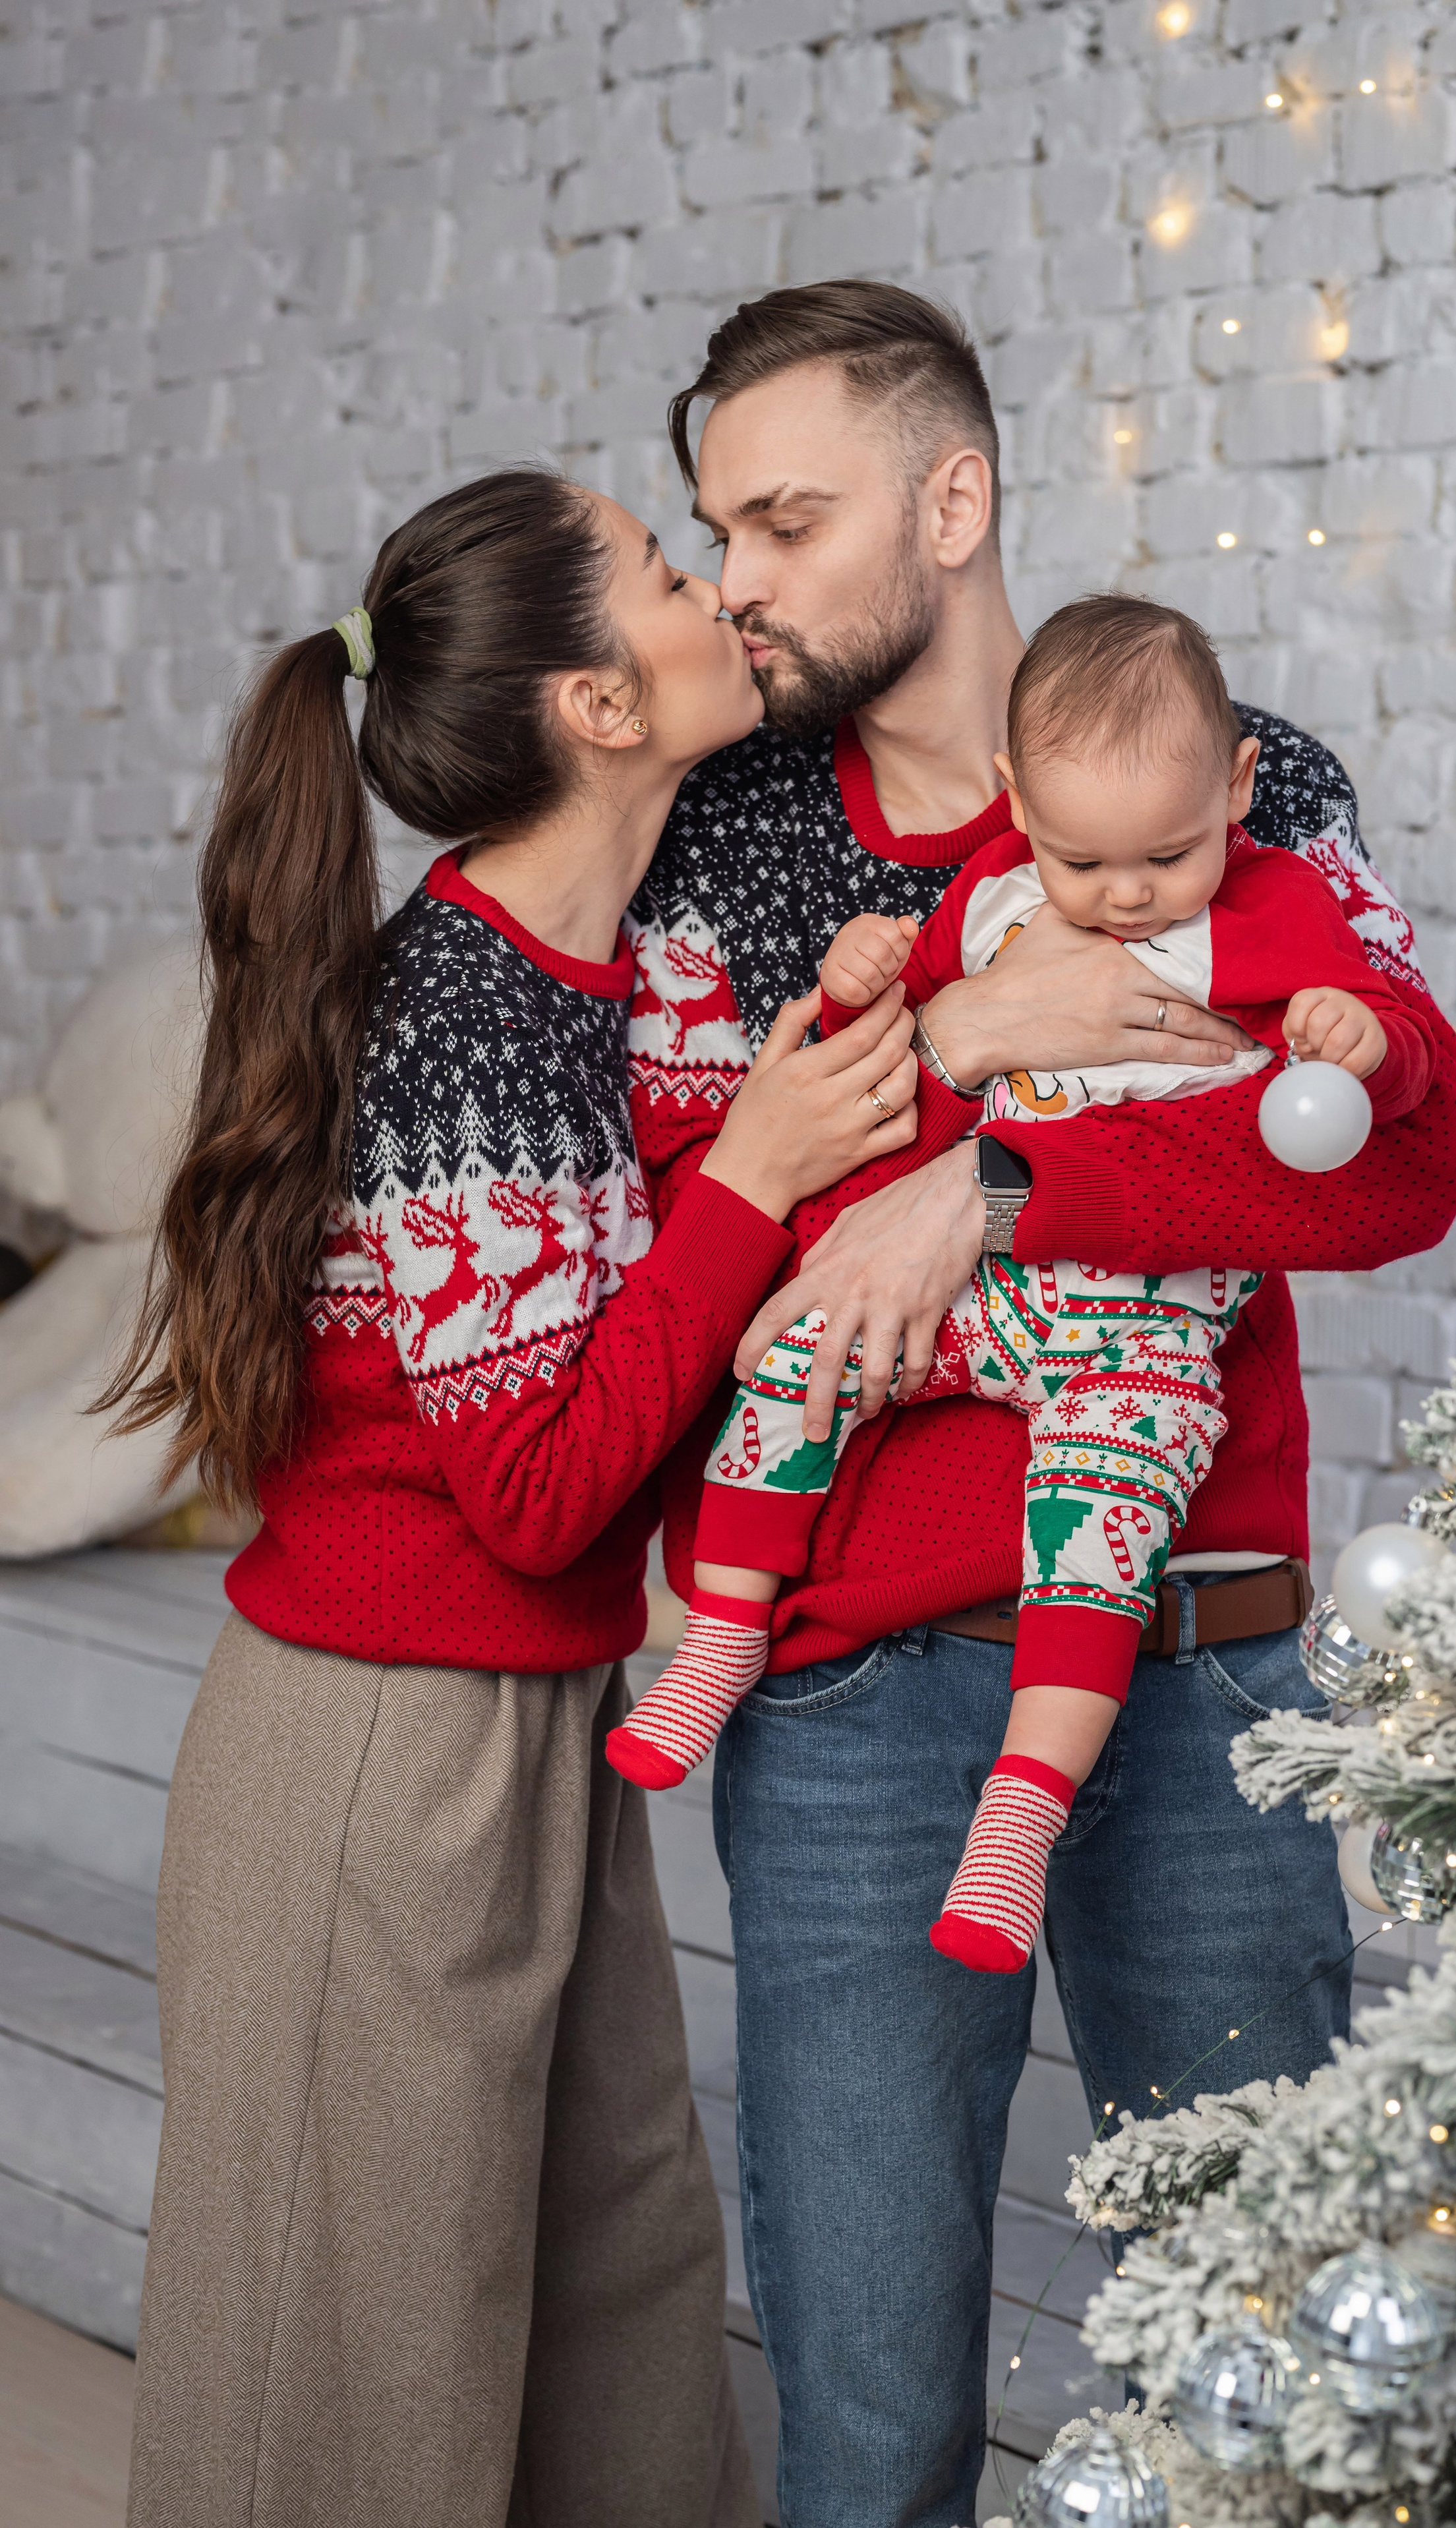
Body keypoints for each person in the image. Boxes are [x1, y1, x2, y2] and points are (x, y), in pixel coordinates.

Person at [626, 281, 1456, 2528]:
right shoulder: (723, 853)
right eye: (718, 532)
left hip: (1204, 1655)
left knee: (1278, 2376)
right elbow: (712, 1262)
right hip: (854, 1704)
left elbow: (1394, 1162)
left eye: (788, 519)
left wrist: (994, 1184)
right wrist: (982, 1041)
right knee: (875, 2412)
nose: (741, 582)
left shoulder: (1242, 778)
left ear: (955, 495)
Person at [103, 465, 923, 2528]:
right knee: (351, 2386)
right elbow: (547, 1489)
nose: (722, 587)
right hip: (381, 1750)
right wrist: (750, 1173)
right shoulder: (470, 1011)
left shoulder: (601, 968)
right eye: (668, 569)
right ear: (597, 703)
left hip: (529, 1722)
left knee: (617, 2323)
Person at [611, 594, 1440, 1980]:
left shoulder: (1271, 906)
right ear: (1016, 801)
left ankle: (1019, 1807)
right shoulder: (996, 889)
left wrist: (1364, 1043)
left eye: (1164, 856)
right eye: (1081, 859)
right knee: (804, 1352)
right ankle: (721, 1632)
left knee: (1097, 1528)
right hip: (990, 1306)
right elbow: (878, 1053)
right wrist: (875, 976)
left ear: (1237, 789)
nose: (1122, 895)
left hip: (1141, 1324)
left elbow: (1405, 1104)